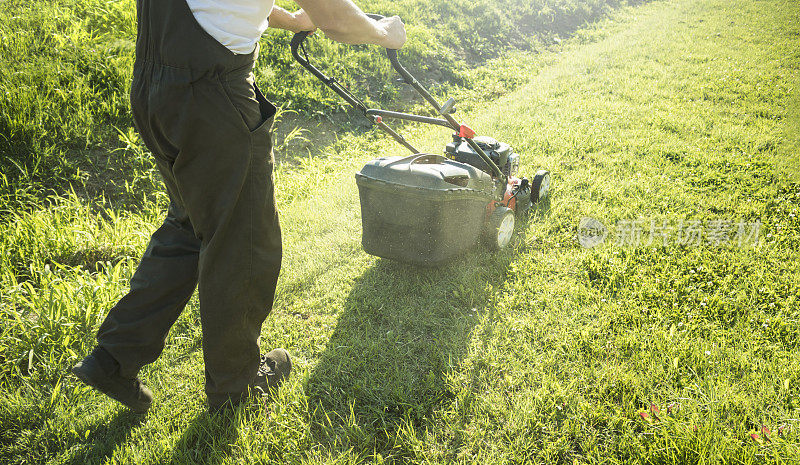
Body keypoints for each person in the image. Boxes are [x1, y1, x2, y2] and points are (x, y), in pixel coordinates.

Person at [71, 0, 406, 413]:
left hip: (155, 90)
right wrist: (384, 31)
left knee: (190, 226)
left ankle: (113, 359)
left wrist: (294, 20)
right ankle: (237, 386)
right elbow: (336, 18)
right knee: (242, 239)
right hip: (213, 101)